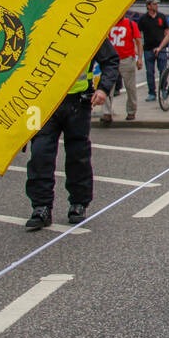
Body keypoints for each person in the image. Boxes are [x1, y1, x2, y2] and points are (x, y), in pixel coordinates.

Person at [24, 38, 119, 230]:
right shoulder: (42, 24)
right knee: (40, 154)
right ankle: (41, 207)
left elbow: (110, 60)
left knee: (78, 156)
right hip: (42, 103)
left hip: (78, 102)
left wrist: (103, 89)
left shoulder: (89, 26)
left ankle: (78, 203)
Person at [103, 12, 142, 124]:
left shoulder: (130, 24)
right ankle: (107, 112)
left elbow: (138, 41)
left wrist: (139, 58)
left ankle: (131, 110)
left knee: (130, 87)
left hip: (126, 58)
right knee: (107, 86)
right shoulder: (109, 24)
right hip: (111, 59)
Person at [138, 0, 169, 101]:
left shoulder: (161, 17)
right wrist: (139, 47)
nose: (156, 6)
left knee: (163, 70)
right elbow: (139, 34)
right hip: (148, 49)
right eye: (154, 4)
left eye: (157, 4)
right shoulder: (143, 19)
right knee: (149, 72)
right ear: (149, 6)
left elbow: (166, 31)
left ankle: (163, 89)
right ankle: (152, 92)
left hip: (161, 48)